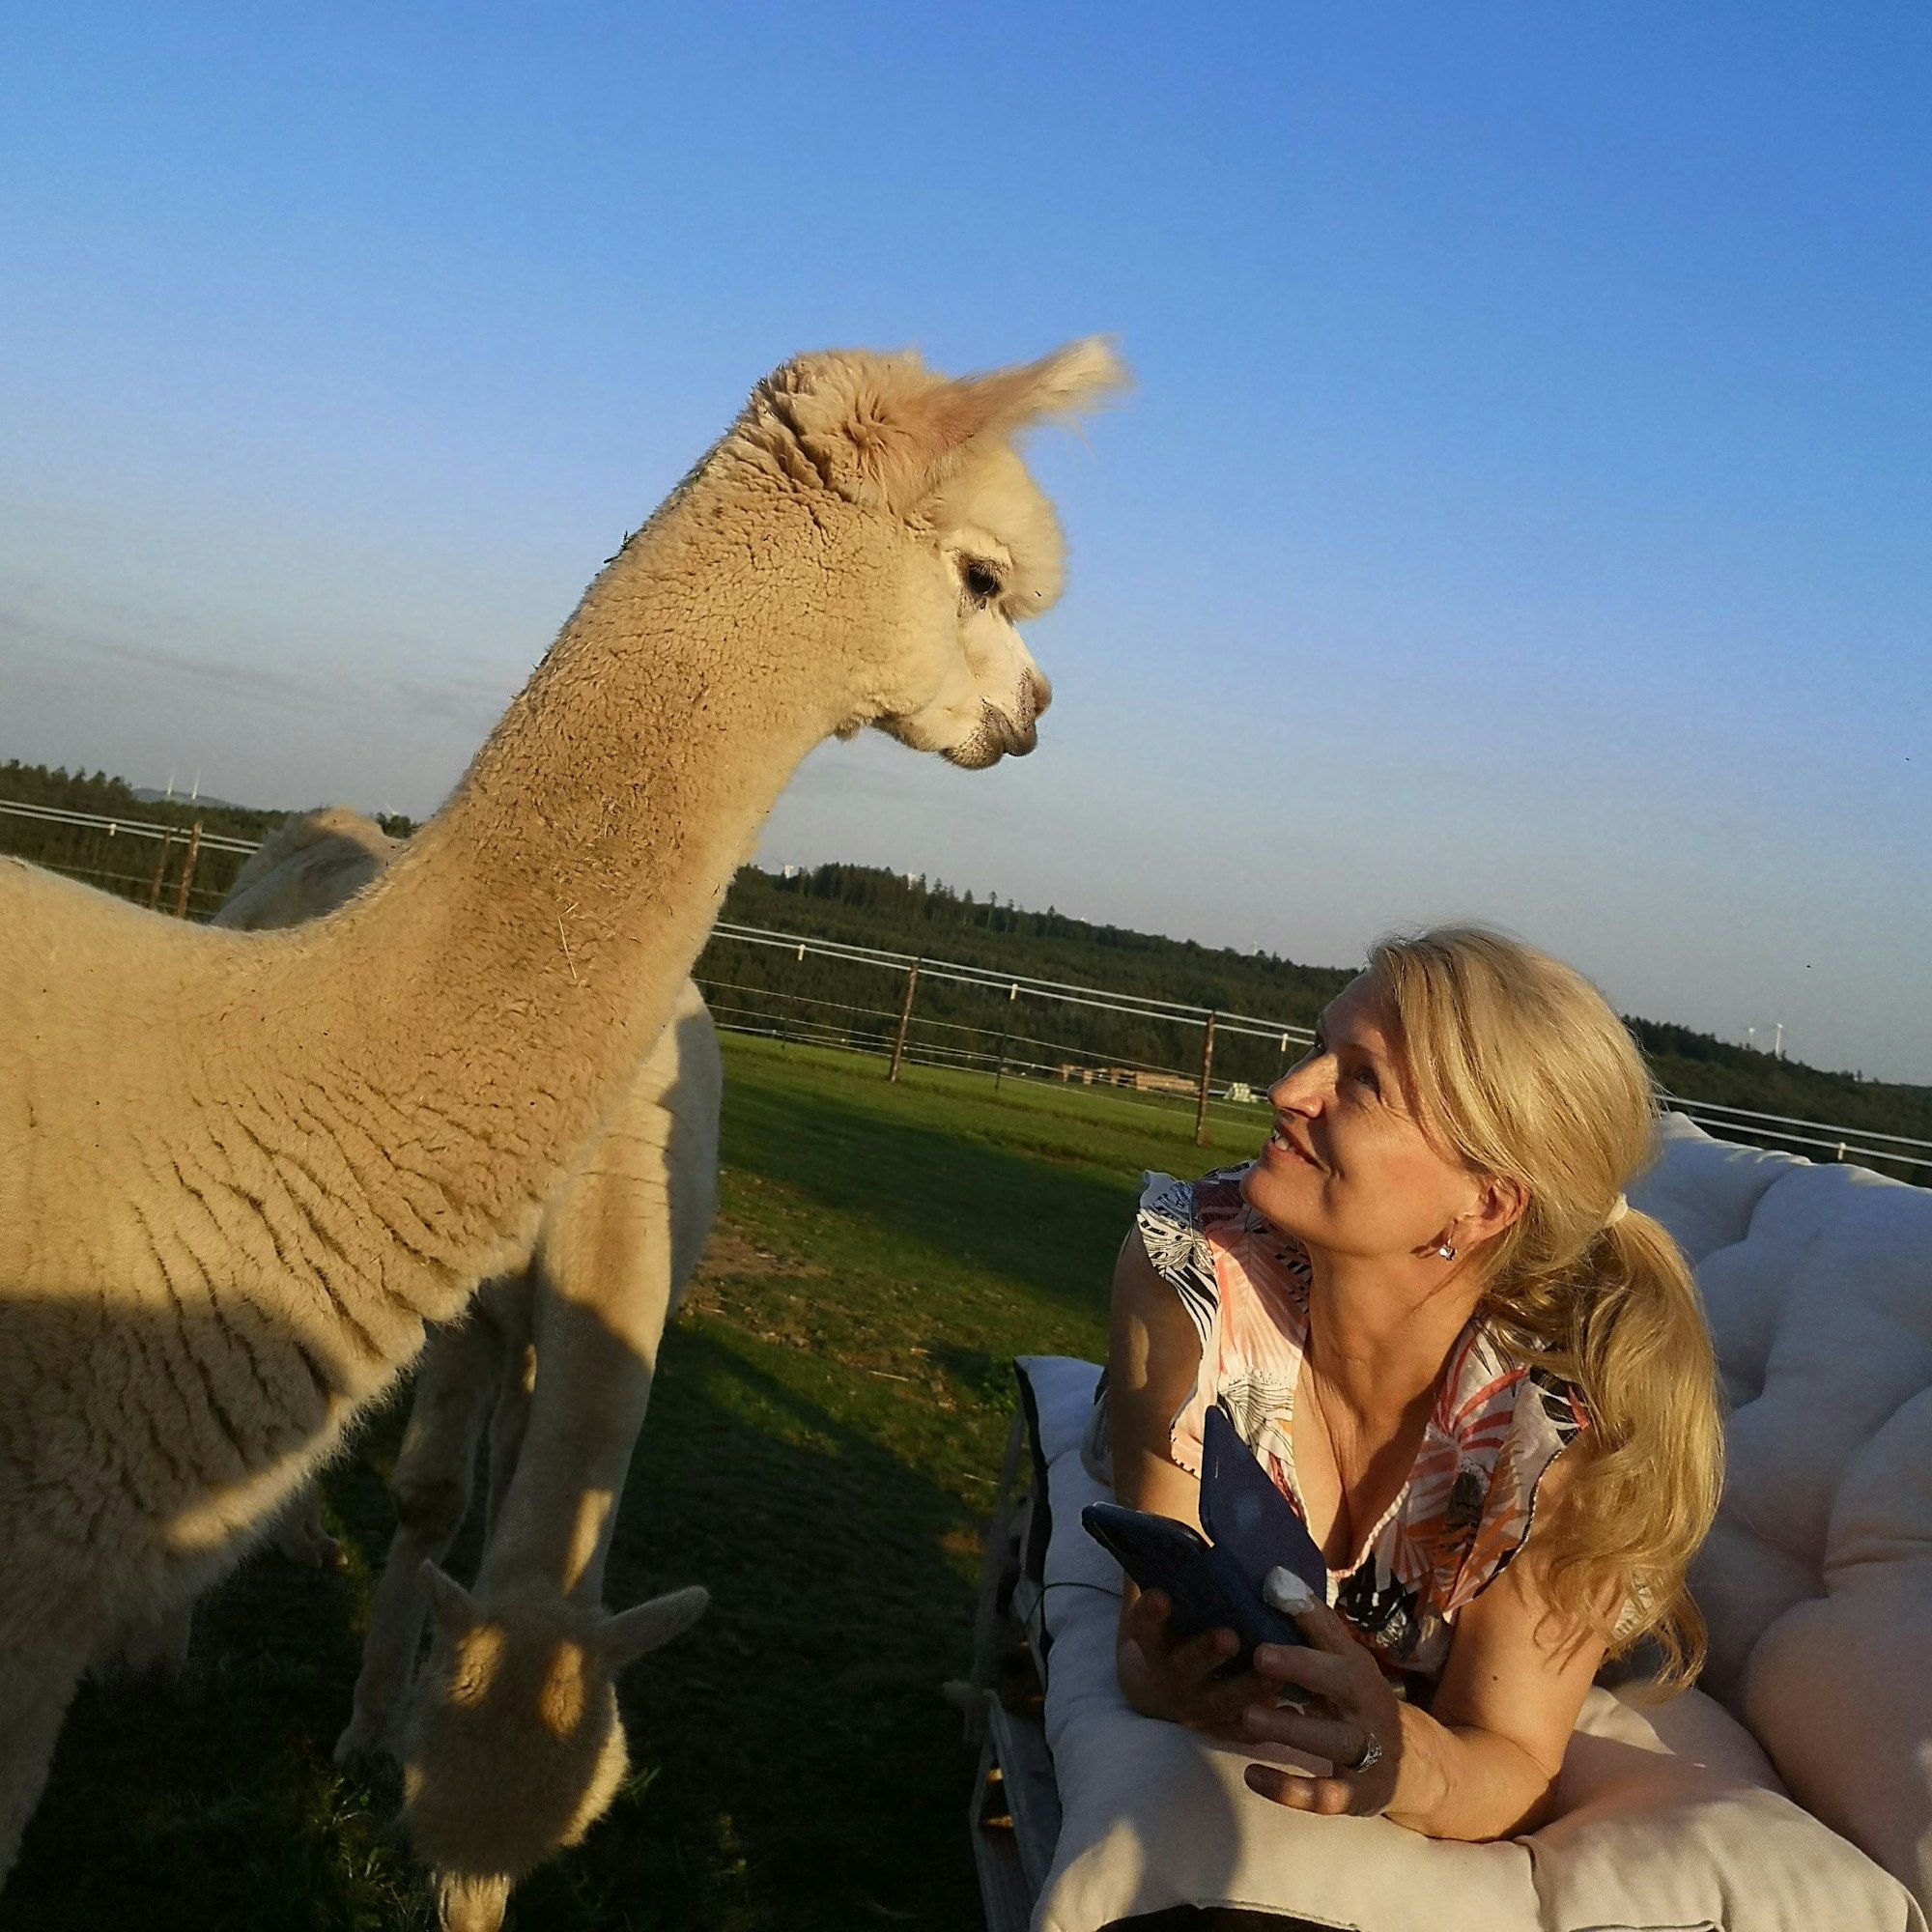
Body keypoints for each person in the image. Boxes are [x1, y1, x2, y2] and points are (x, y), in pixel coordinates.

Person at [1102, 924, 1724, 1842]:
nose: (1287, 1090)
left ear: (1486, 1202)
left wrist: (1400, 1757)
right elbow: (1150, 1633)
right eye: (1321, 1047)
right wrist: (1165, 1676)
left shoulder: (1559, 1431)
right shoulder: (1190, 1276)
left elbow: (1509, 1759)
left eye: (1363, 1080)